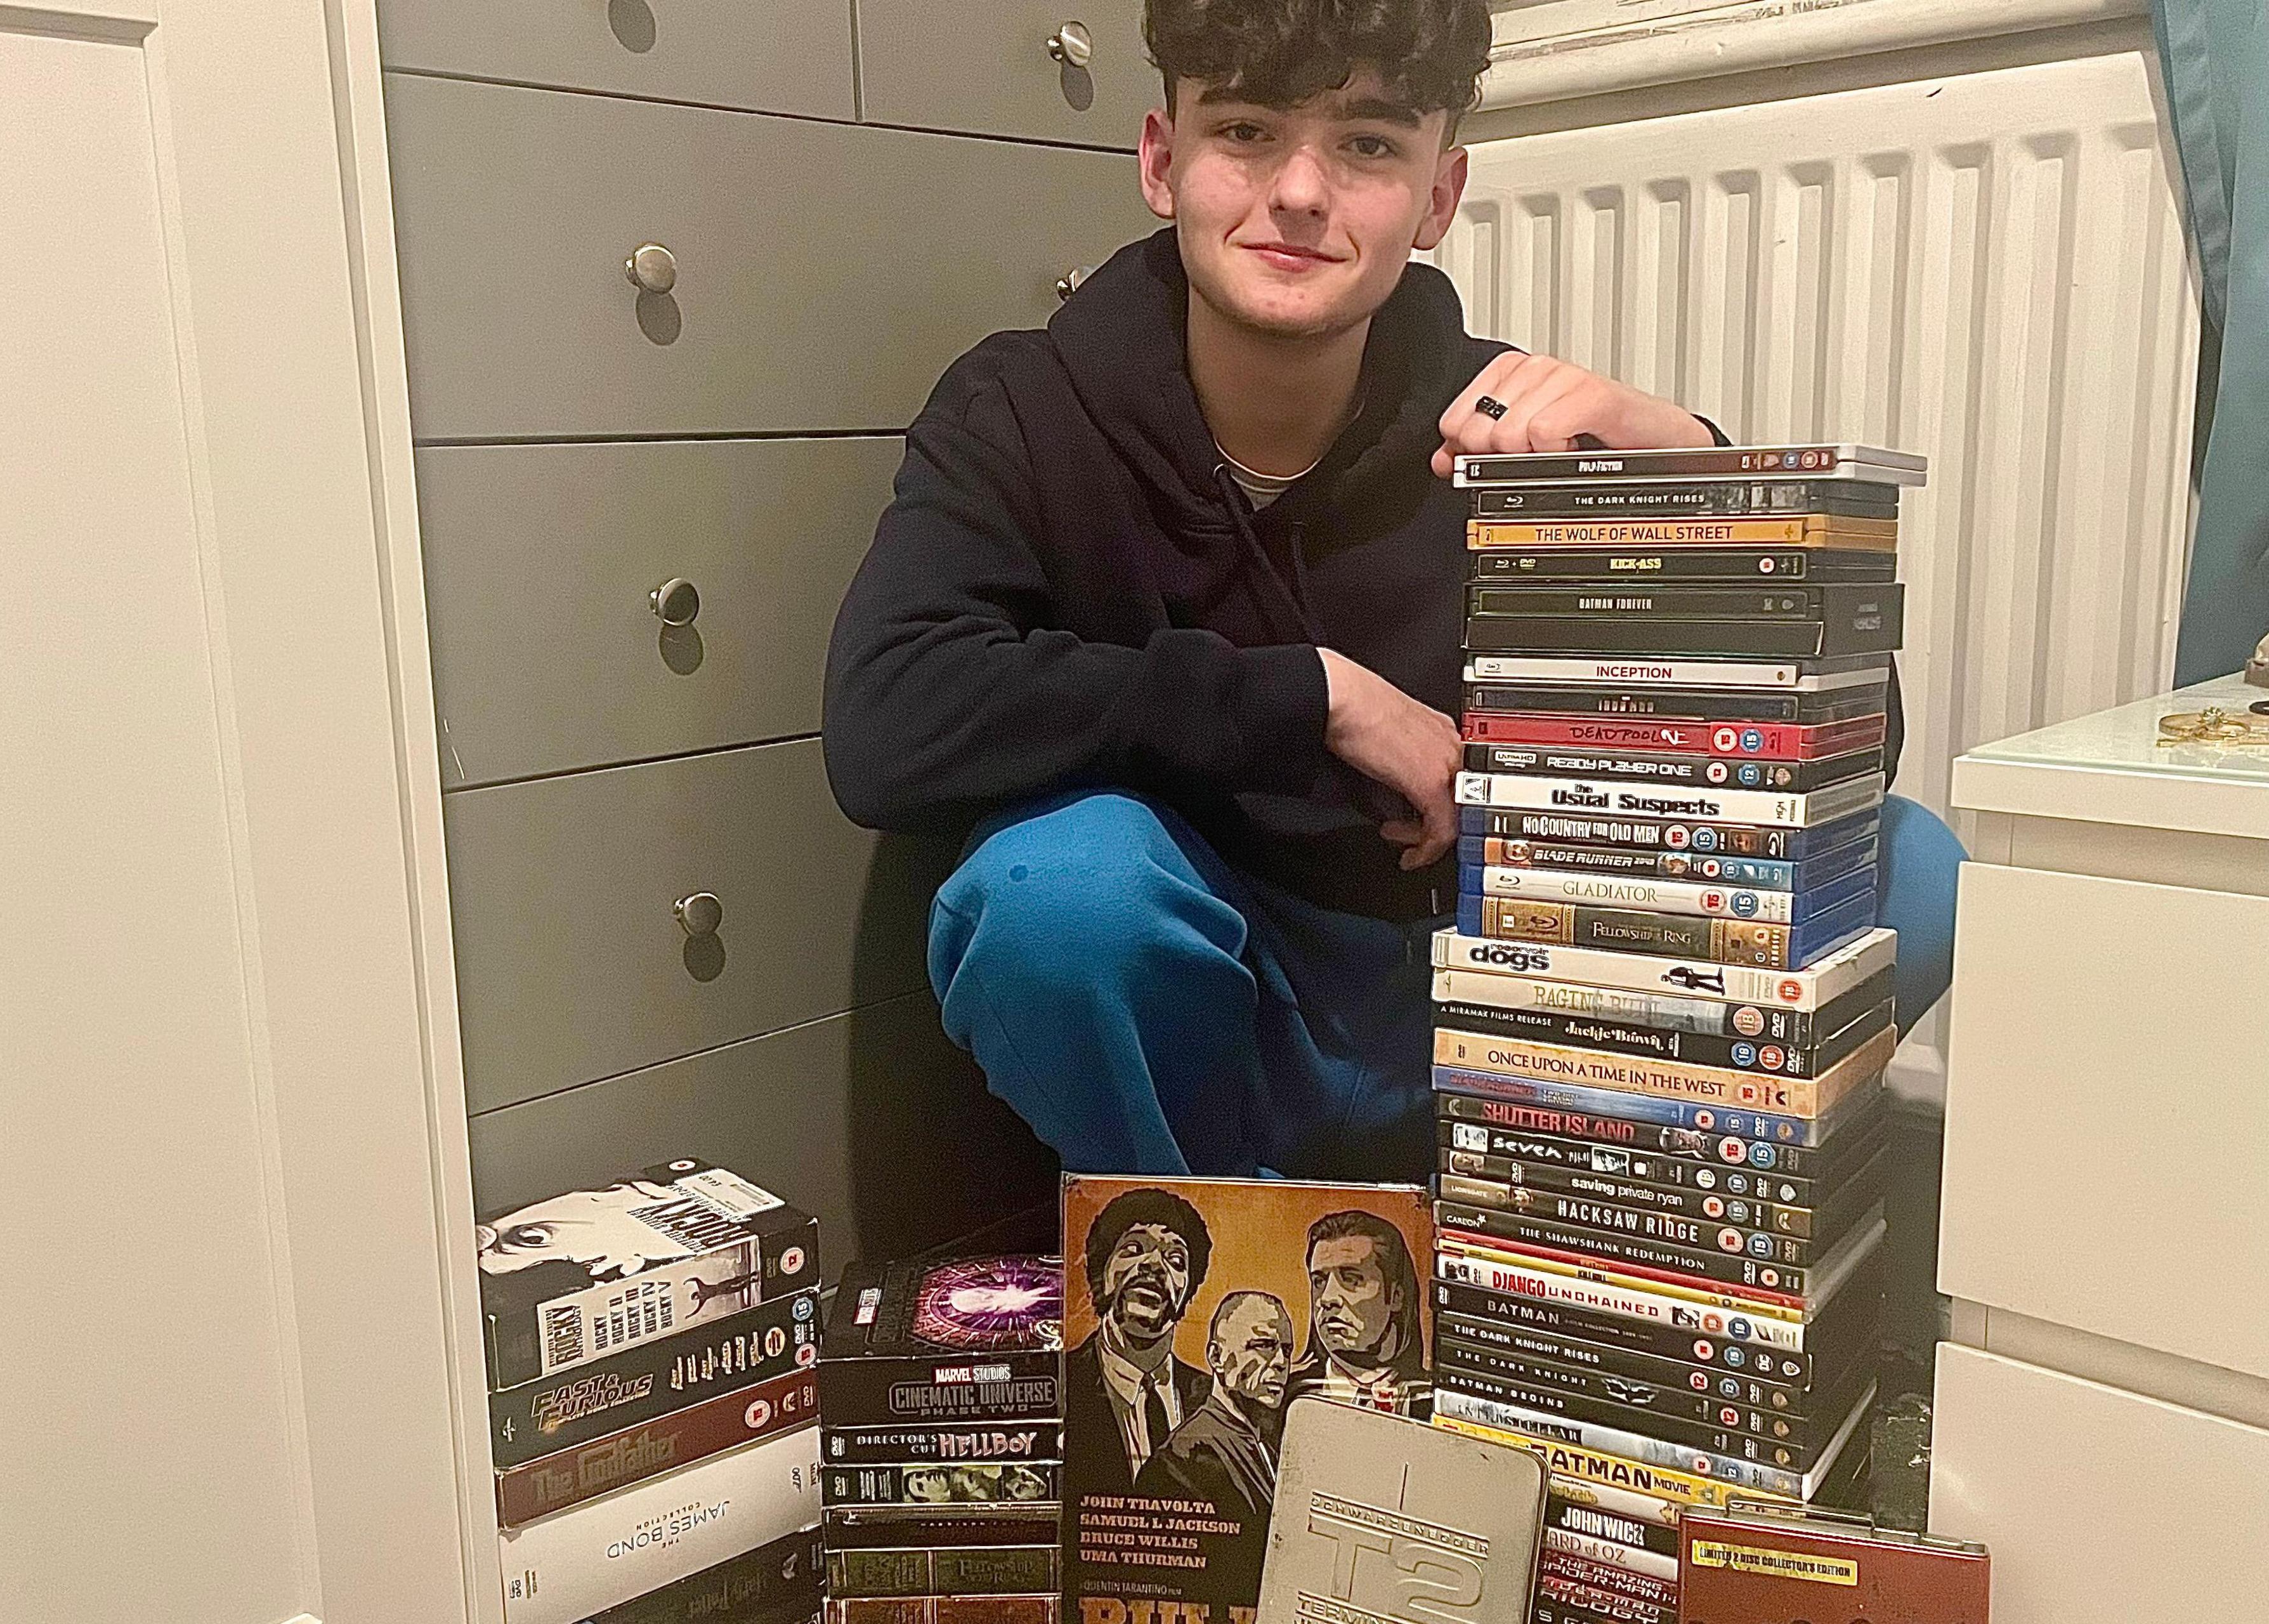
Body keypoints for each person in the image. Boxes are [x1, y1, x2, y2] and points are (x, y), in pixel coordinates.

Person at [822, 0, 1956, 1181]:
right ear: (1163, 161)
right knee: (1059, 896)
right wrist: (1316, 698)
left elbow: (1849, 751)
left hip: (1504, 1000)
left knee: (1907, 870)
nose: (1302, 192)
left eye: (1367, 144)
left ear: (1438, 196)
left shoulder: (1511, 428)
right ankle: (1229, 1273)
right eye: (1248, 130)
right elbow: (887, 720)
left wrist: (1689, 464)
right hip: (1224, 1014)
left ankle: (1569, 1265)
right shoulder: (1024, 407)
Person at [1137, 1290, 1295, 1597]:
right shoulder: (1179, 1462)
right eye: (1263, 1346)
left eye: (1287, 1351)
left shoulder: (1270, 1444)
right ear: (1216, 1357)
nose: (1280, 1363)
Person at [1065, 1188, 1216, 1493]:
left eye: (1176, 1260)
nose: (1153, 1265)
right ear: (1102, 1271)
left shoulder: (1214, 1401)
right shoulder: (1062, 1384)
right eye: (1134, 1249)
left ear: (1187, 1290)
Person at [1283, 1209, 1428, 1415]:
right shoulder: (1284, 1398)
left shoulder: (1433, 1399)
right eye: (1319, 1281)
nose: (1327, 1298)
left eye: (1352, 1279)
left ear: (1396, 1296)